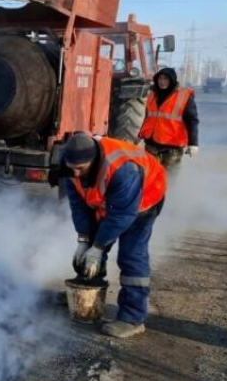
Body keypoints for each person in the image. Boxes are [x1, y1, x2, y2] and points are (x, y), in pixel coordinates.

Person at [59, 133, 166, 338]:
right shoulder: (69, 166)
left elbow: (123, 214)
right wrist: (84, 241)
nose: (75, 173)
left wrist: (99, 248)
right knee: (92, 242)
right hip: (111, 202)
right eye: (72, 167)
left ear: (94, 160)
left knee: (131, 254)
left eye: (81, 168)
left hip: (145, 199)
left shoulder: (124, 168)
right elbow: (79, 207)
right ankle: (85, 290)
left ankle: (132, 318)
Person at [138, 67, 199, 168]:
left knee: (169, 178)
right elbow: (149, 117)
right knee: (150, 176)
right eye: (160, 79)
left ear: (172, 80)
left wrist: (193, 143)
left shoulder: (184, 96)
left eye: (166, 79)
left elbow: (192, 120)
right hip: (151, 145)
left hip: (172, 148)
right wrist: (140, 134)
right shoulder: (152, 94)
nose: (162, 82)